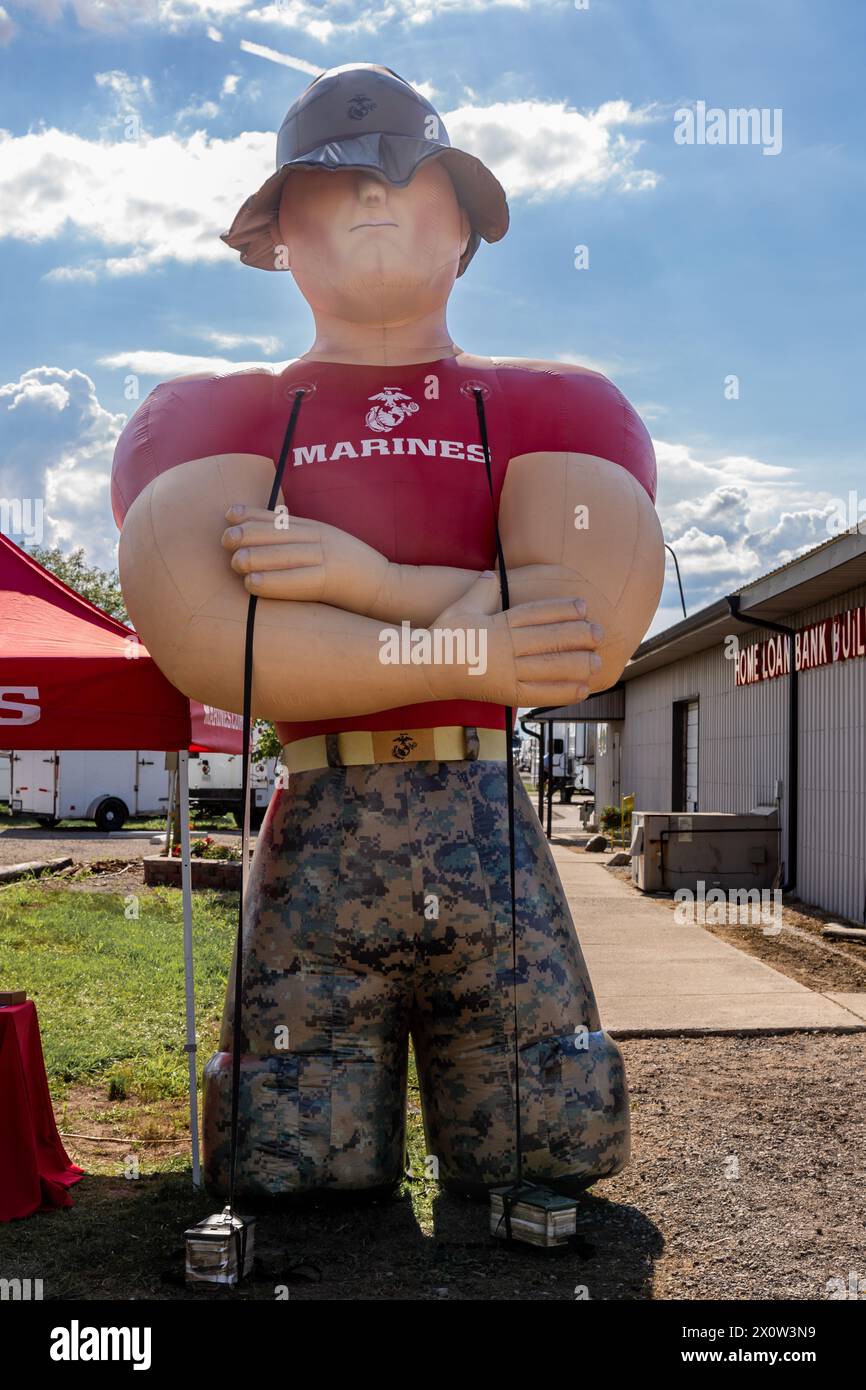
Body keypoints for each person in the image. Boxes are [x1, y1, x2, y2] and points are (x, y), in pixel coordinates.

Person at [112, 63, 664, 1200]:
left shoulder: (554, 407)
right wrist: (468, 638)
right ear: (280, 233)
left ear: (462, 224)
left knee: (544, 1141)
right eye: (334, 181)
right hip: (318, 828)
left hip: (484, 833)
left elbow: (573, 633)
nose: (375, 198)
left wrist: (362, 579)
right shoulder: (218, 416)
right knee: (292, 1155)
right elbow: (219, 639)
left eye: (409, 176)